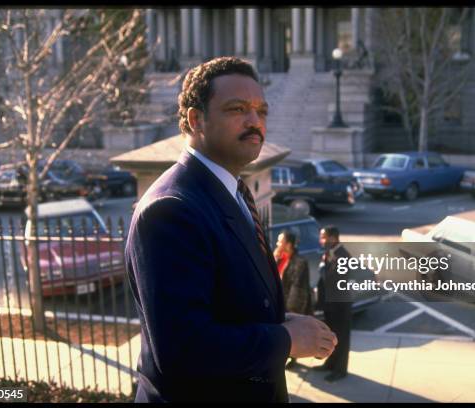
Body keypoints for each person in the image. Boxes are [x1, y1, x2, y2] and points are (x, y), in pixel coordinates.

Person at [125, 56, 337, 403]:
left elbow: (226, 299)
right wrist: (286, 340)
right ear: (196, 120)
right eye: (237, 109)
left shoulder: (235, 189)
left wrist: (281, 320)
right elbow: (184, 349)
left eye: (262, 111)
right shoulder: (171, 209)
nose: (255, 121)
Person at [312, 225, 352, 383]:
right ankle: (330, 364)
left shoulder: (343, 256)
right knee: (331, 336)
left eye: (323, 237)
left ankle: (340, 370)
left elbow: (336, 281)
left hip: (340, 305)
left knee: (341, 338)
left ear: (333, 238)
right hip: (329, 304)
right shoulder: (328, 253)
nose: (321, 241)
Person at [273, 230, 313, 370]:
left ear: (288, 244)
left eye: (280, 241)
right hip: (278, 302)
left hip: (291, 304)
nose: (277, 243)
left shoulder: (300, 262)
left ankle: (293, 357)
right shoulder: (278, 257)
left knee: (291, 332)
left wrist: (292, 310)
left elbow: (299, 288)